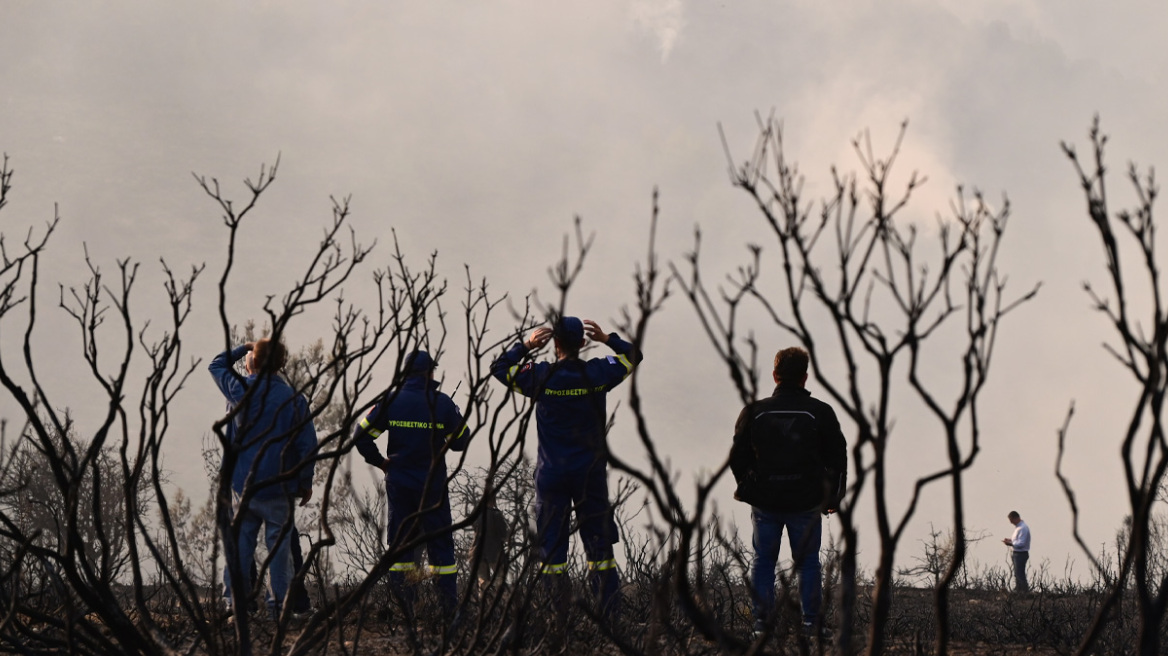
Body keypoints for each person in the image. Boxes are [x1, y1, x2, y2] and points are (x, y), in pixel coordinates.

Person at [490, 316, 643, 619]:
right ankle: (609, 615)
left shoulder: (540, 376)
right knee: (599, 549)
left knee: (552, 549)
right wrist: (608, 338)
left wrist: (525, 346)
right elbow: (633, 356)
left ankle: (555, 616)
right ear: (583, 343)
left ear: (554, 343)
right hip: (590, 475)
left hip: (552, 476)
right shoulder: (598, 373)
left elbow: (498, 369)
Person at [729, 346, 847, 636]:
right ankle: (810, 624)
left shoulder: (754, 411)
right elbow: (838, 458)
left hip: (765, 500)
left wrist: (748, 486)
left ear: (775, 375)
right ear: (805, 378)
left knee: (763, 561)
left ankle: (761, 625)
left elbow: (737, 457)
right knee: (808, 562)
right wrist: (833, 497)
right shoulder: (820, 412)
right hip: (806, 501)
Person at [353, 350, 469, 625]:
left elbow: (360, 436)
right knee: (441, 549)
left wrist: (381, 462)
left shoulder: (391, 401)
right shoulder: (441, 403)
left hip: (400, 485)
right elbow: (461, 441)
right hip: (433, 488)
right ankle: (448, 612)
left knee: (401, 549)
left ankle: (405, 610)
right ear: (431, 373)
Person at [210, 339, 317, 620]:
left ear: (252, 362)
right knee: (280, 552)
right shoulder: (294, 399)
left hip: (243, 484)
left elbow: (216, 365)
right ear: (281, 364)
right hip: (279, 485)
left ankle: (237, 606)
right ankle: (279, 608)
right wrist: (305, 481)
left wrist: (242, 349)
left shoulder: (239, 390)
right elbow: (307, 444)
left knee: (240, 548)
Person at [470, 491, 509, 593]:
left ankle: (483, 605)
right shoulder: (496, 514)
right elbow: (504, 535)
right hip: (494, 552)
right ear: (493, 501)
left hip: (477, 552)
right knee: (500, 579)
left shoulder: (476, 515)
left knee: (482, 582)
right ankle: (501, 605)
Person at [1002, 510, 1031, 592]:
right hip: (1017, 553)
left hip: (1021, 554)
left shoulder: (1023, 528)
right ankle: (1019, 589)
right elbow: (1018, 540)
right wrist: (1010, 540)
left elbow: (1021, 543)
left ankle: (1023, 590)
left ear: (1015, 518)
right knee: (1017, 573)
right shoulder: (1018, 528)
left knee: (1020, 573)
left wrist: (1011, 544)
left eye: (1011, 520)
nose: (1011, 523)